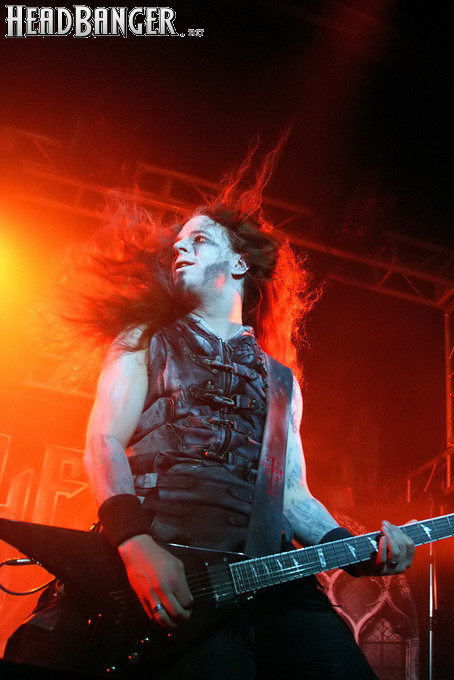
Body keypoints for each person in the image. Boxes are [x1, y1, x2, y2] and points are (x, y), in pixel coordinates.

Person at [6, 142, 415, 678]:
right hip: (162, 553)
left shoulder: (281, 382)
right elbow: (103, 441)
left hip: (264, 575)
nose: (181, 248)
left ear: (240, 262)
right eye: (179, 242)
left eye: (199, 239)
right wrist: (134, 543)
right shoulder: (143, 340)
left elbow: (293, 495)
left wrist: (356, 550)